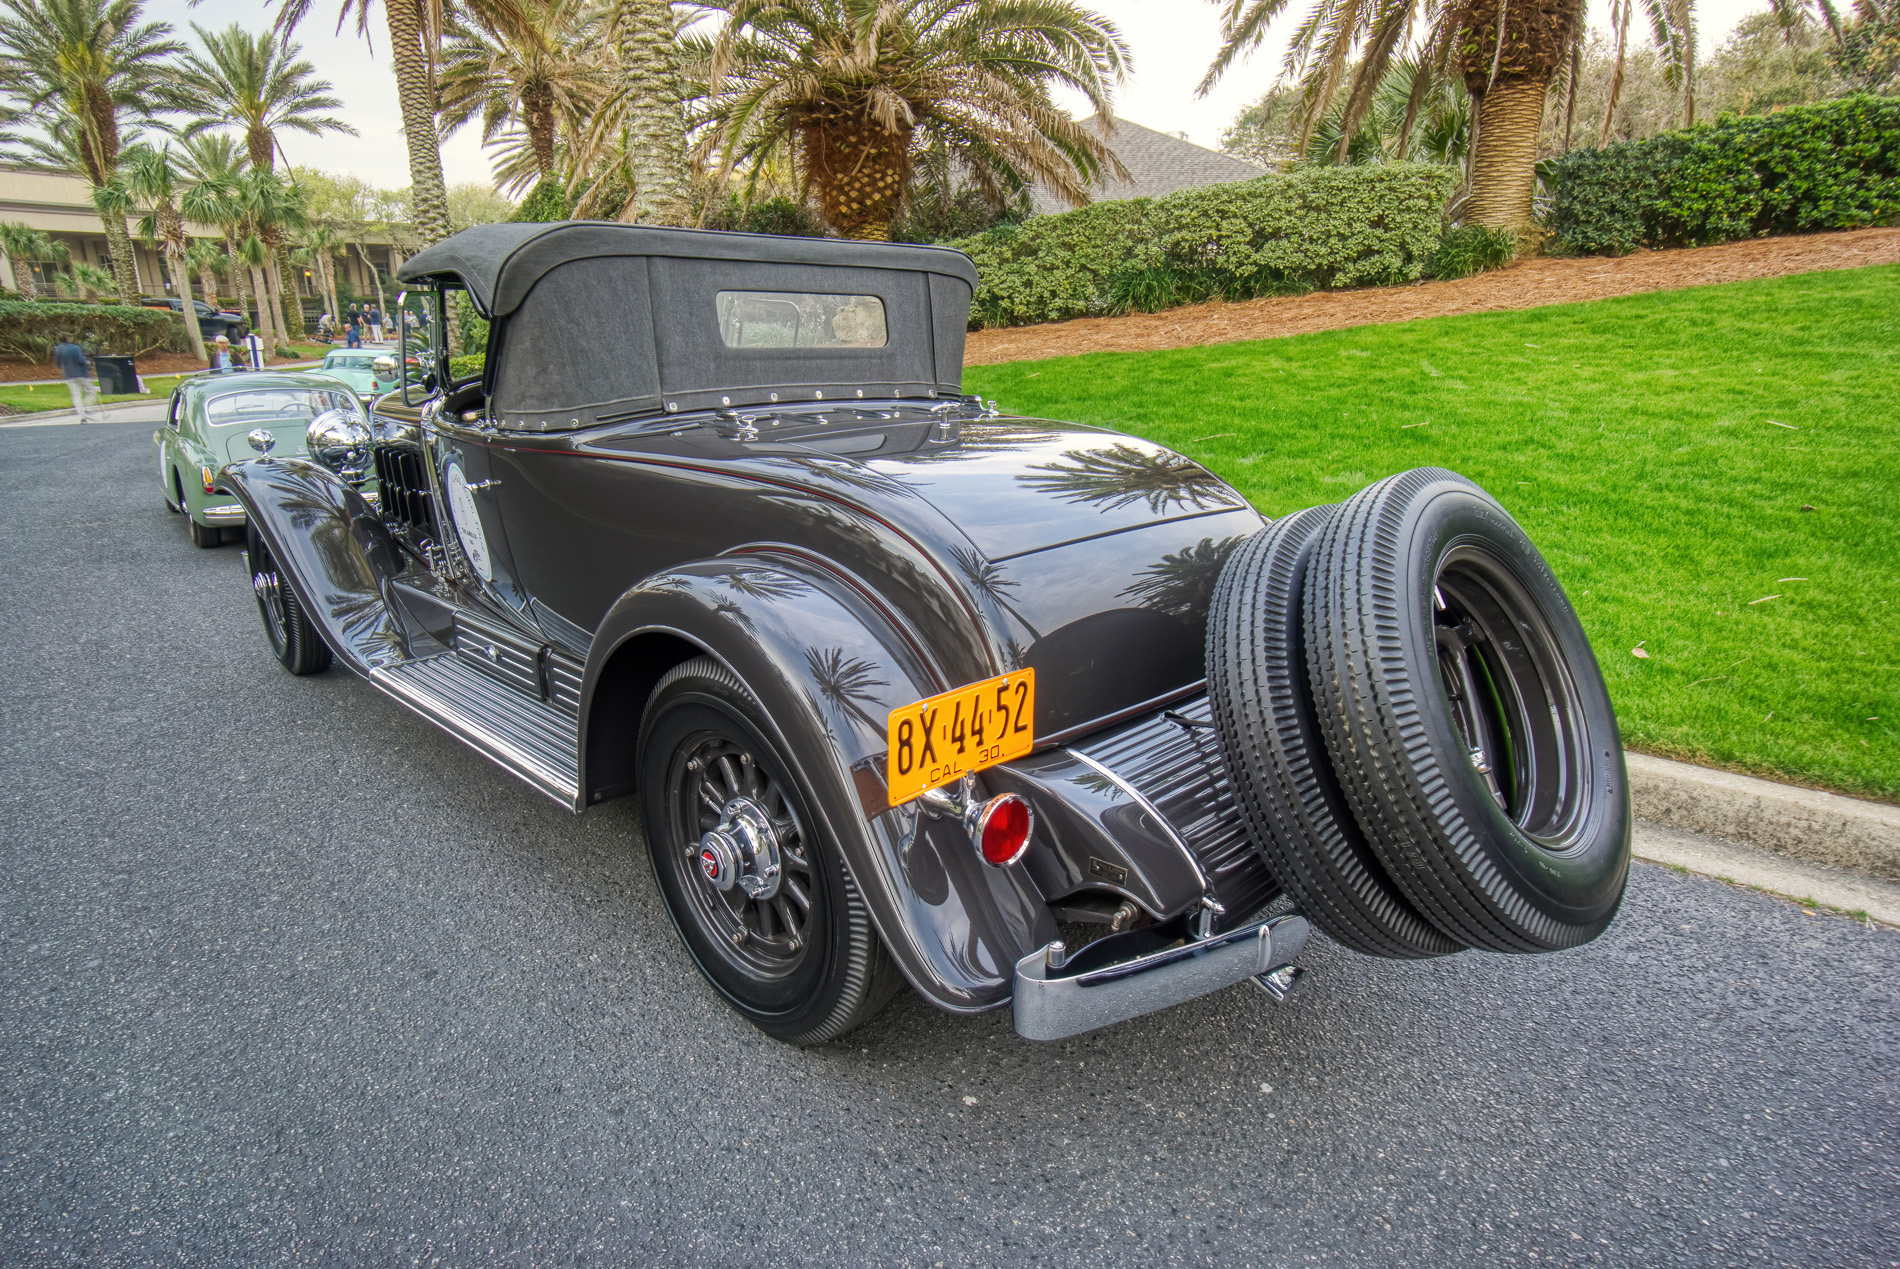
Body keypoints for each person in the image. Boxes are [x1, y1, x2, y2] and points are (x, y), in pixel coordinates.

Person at [51, 334, 99, 422]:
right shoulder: (75, 348)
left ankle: (82, 415)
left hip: (69, 375)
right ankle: (88, 408)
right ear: (68, 338)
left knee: (76, 395)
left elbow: (57, 363)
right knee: (91, 390)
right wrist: (88, 363)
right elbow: (80, 360)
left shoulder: (57, 349)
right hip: (81, 374)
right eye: (71, 337)